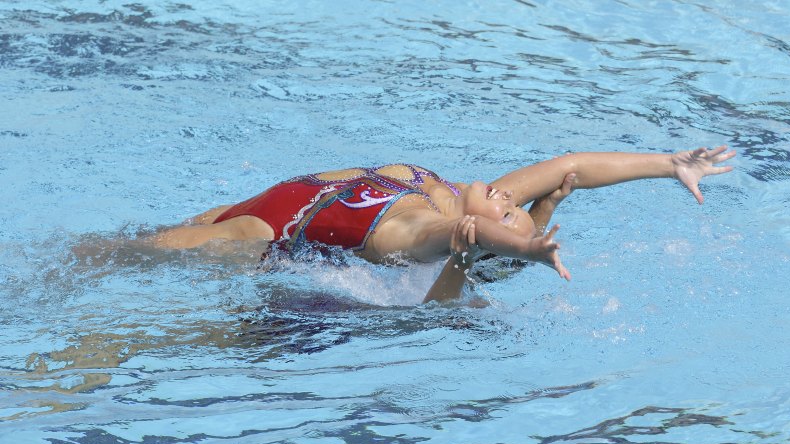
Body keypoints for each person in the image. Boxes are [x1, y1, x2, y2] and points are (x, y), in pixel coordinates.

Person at [152, 146, 735, 301]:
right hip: (278, 198)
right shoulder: (467, 198)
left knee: (125, 254)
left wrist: (528, 249)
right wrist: (670, 164)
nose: (507, 196)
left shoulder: (422, 233)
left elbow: (474, 237)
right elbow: (571, 167)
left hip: (261, 234)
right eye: (513, 205)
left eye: (509, 211)